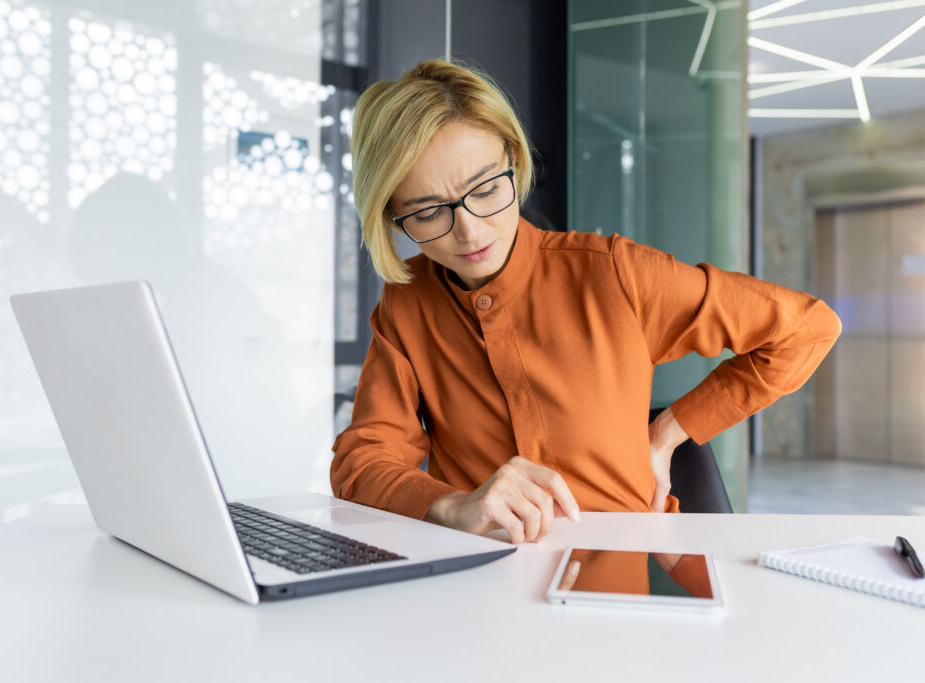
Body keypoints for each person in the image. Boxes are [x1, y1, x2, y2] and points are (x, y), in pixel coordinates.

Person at [331, 59, 841, 545]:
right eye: (427, 213)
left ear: (513, 160)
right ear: (392, 216)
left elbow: (806, 328)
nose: (469, 231)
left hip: (629, 571)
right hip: (483, 575)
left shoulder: (615, 274)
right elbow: (362, 458)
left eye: (485, 189)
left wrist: (667, 434)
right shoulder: (407, 302)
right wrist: (452, 506)